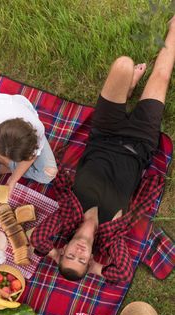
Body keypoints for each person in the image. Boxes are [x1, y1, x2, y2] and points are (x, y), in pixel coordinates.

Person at [30, 16, 175, 283]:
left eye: (70, 256)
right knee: (161, 76)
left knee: (124, 64)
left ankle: (129, 84)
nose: (79, 253)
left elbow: (36, 239)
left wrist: (52, 255)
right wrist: (97, 268)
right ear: (90, 259)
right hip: (140, 142)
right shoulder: (111, 236)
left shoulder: (65, 216)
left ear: (64, 250)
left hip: (104, 132)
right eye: (82, 260)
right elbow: (122, 273)